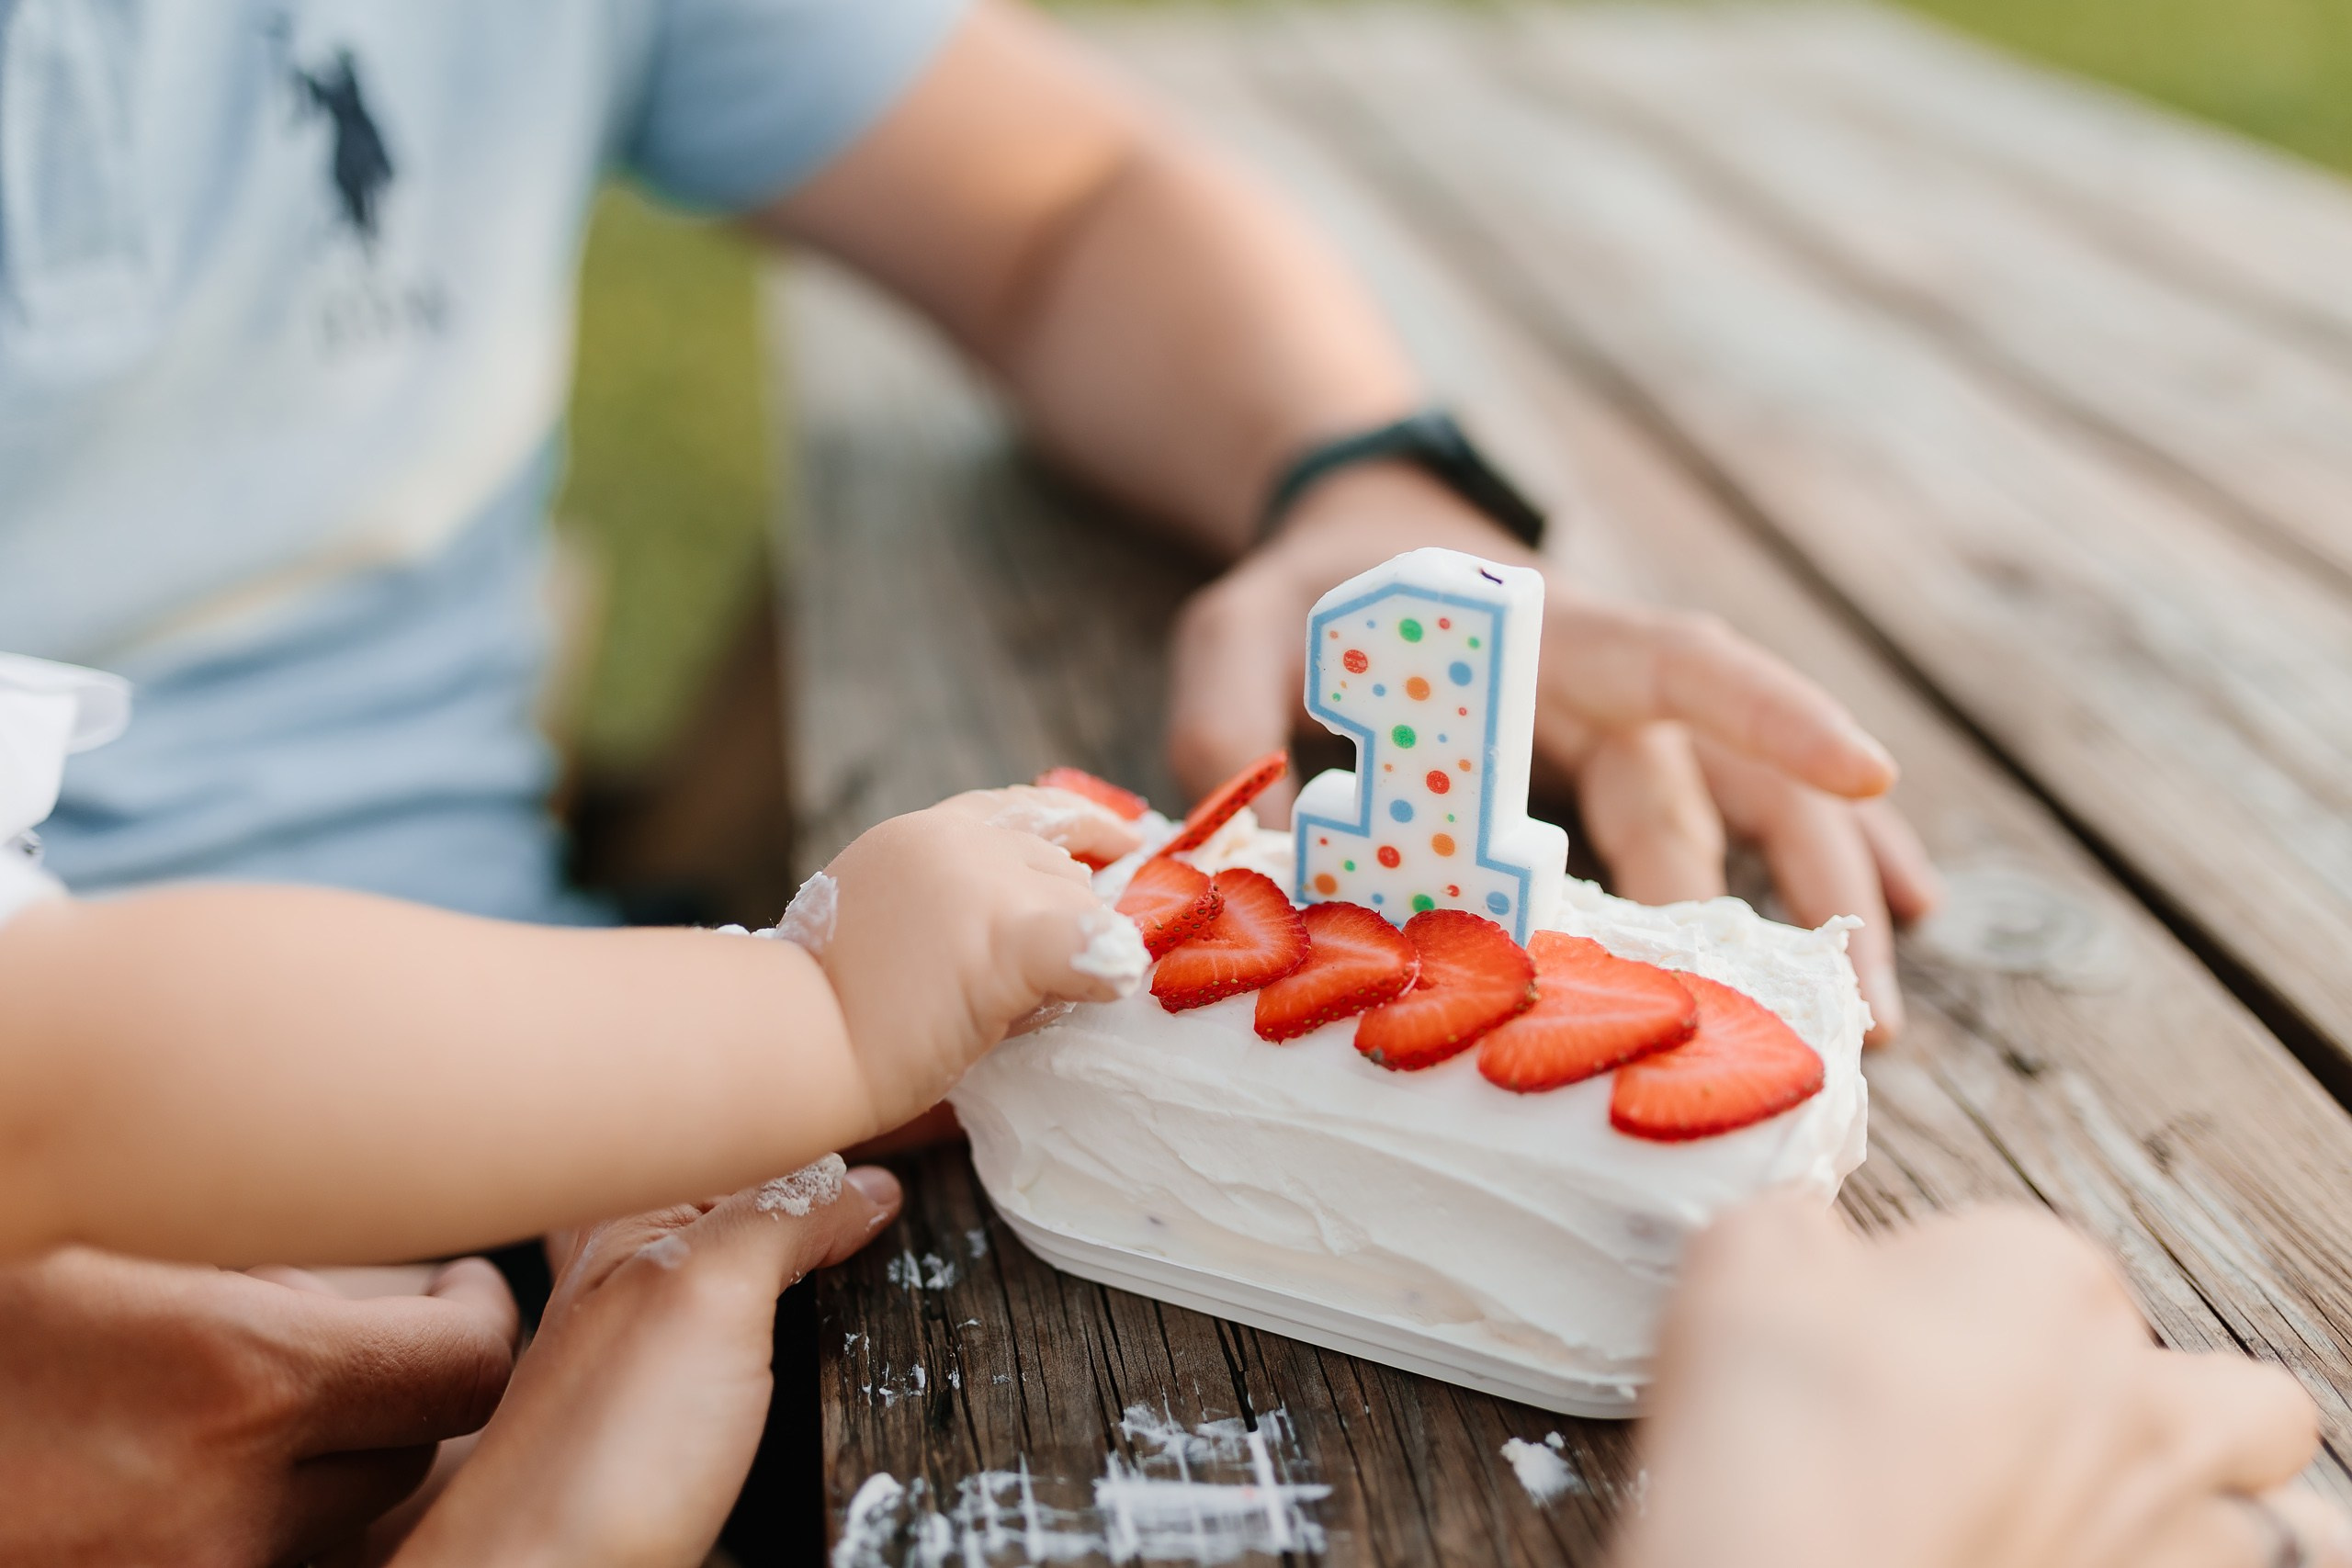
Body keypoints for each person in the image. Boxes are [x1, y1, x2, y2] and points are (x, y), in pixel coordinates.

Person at [1, 0, 1928, 1554]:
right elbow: (42, 1065)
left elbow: (1057, 185)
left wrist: (1357, 478)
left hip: (563, 1188)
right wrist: (811, 1004)